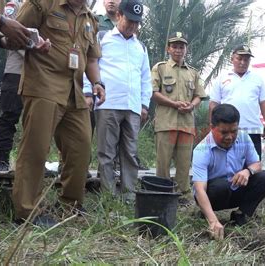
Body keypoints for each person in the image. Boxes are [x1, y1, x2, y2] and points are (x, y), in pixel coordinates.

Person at [11, 0, 105, 227]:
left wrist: (98, 82)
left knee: (81, 148)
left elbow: (91, 58)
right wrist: (32, 44)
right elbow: (12, 33)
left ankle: (70, 206)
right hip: (43, 84)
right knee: (35, 149)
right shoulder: (42, 3)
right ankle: (26, 212)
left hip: (75, 90)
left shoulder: (89, 18)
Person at [85, 0, 151, 201]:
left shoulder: (140, 47)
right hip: (108, 104)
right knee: (107, 153)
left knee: (130, 153)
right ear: (120, 15)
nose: (132, 26)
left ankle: (128, 195)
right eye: (129, 21)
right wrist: (88, 92)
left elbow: (145, 78)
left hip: (132, 107)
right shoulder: (102, 38)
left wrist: (144, 104)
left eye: (137, 23)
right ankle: (107, 196)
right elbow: (90, 64)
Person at [192, 104, 265, 240]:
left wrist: (247, 171)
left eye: (233, 131)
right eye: (224, 132)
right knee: (220, 186)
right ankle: (207, 213)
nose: (229, 137)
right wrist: (213, 221)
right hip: (214, 195)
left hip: (236, 189)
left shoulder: (244, 138)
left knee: (264, 178)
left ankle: (241, 214)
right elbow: (199, 189)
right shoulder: (201, 150)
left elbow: (257, 164)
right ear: (212, 127)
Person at [0, 0, 30, 228]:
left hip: (38, 72)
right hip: (10, 70)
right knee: (5, 119)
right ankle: (1, 160)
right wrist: (5, 24)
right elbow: (2, 29)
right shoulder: (13, 5)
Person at [151, 31, 207, 205]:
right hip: (166, 124)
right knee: (163, 164)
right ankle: (161, 195)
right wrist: (174, 104)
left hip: (186, 125)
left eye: (181, 47)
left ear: (186, 50)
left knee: (184, 164)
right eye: (174, 46)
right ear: (168, 49)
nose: (178, 50)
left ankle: (183, 197)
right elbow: (153, 93)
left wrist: (192, 105)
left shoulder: (193, 73)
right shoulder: (159, 68)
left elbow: (199, 95)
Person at [209, 45, 265, 159]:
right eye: (239, 58)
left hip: (253, 130)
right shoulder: (221, 78)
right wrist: (213, 124)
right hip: (228, 130)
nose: (242, 62)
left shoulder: (257, 79)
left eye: (246, 59)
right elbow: (214, 103)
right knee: (228, 165)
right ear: (232, 59)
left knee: (254, 165)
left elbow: (264, 102)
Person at [0, 1, 24, 172]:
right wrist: (36, 51)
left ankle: (34, 161)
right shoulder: (16, 5)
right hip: (16, 70)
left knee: (37, 120)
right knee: (9, 115)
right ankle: (2, 159)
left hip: (42, 73)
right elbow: (7, 34)